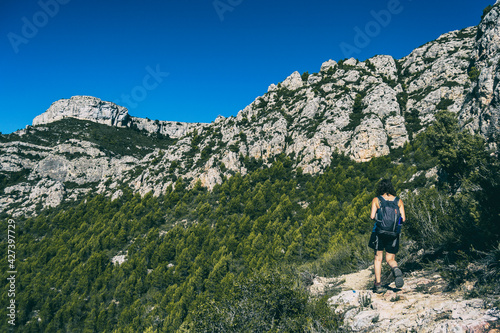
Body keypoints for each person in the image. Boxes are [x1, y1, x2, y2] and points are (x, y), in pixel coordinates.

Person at [368, 179, 405, 293]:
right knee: (390, 258)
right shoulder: (399, 201)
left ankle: (378, 285)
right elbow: (403, 219)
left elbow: (372, 216)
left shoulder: (377, 200)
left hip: (379, 233)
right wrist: (395, 227)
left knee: (378, 258)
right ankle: (395, 268)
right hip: (393, 233)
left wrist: (381, 220)